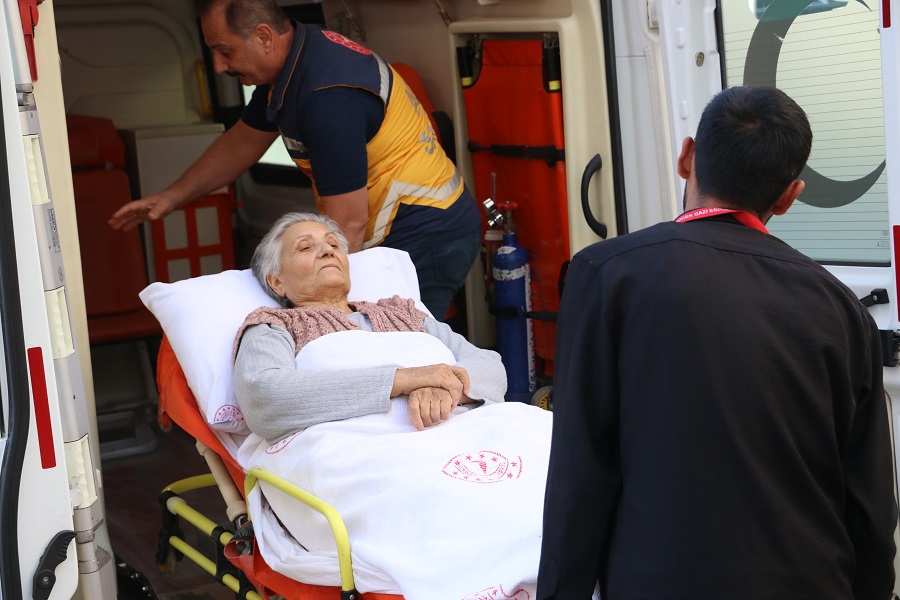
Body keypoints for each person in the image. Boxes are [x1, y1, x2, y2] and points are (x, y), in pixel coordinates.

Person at [538, 86, 897, 600]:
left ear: (687, 157)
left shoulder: (607, 275)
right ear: (789, 196)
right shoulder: (843, 311)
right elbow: (870, 506)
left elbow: (581, 472)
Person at [109, 0, 482, 321]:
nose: (219, 66)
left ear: (264, 37)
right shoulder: (294, 64)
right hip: (400, 230)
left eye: (225, 51)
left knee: (403, 349)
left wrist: (316, 311)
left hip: (426, 235)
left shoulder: (326, 97)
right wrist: (171, 197)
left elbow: (346, 224)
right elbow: (241, 143)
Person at [232, 212, 503, 442]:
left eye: (334, 246)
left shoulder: (401, 312)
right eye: (305, 248)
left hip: (469, 435)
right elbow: (264, 396)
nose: (327, 250)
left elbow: (490, 365)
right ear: (277, 281)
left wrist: (442, 389)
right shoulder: (274, 325)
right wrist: (402, 380)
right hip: (367, 452)